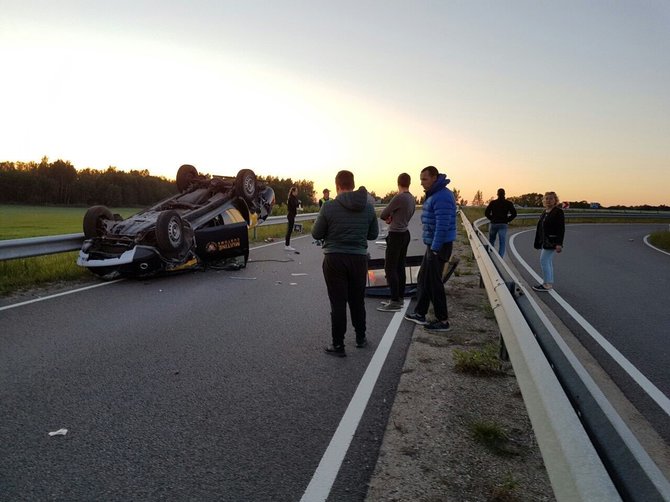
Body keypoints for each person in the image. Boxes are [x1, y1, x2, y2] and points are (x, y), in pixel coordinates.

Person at [312, 170, 379, 356]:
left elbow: (316, 234)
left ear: (337, 186)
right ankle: (360, 338)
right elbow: (373, 234)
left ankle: (338, 345)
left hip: (334, 259)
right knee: (357, 301)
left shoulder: (328, 207)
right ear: (353, 184)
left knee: (338, 303)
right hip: (358, 258)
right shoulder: (368, 207)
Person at [404, 166, 457, 332]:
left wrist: (434, 248)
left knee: (434, 282)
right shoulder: (435, 194)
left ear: (434, 178)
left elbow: (443, 225)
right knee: (424, 278)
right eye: (420, 180)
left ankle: (443, 320)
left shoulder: (442, 196)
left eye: (424, 179)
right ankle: (420, 313)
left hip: (439, 245)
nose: (421, 183)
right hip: (433, 244)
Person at [377, 173, 416, 312]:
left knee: (390, 268)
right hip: (405, 233)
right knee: (400, 266)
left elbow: (383, 214)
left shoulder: (399, 197)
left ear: (398, 182)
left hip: (395, 234)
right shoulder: (412, 198)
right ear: (409, 183)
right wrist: (393, 217)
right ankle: (399, 297)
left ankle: (394, 301)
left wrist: (390, 217)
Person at [532, 191, 565, 292]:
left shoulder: (558, 211)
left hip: (552, 241)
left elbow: (561, 228)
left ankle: (546, 284)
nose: (548, 200)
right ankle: (549, 282)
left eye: (551, 198)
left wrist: (559, 243)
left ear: (555, 200)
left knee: (544, 260)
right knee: (548, 261)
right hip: (545, 241)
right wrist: (538, 242)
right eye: (546, 198)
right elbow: (540, 228)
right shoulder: (545, 211)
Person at [484, 188, 517, 257]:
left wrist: (492, 219)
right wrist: (507, 220)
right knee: (502, 242)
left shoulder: (493, 203)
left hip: (494, 224)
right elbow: (514, 214)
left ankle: (490, 254)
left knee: (491, 240)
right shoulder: (508, 203)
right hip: (503, 224)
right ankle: (500, 257)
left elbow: (486, 213)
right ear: (504, 194)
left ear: (497, 194)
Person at [285, 186, 300, 251]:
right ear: (293, 192)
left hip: (292, 215)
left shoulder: (294, 198)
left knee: (290, 230)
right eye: (296, 191)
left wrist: (298, 202)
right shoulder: (291, 198)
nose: (297, 192)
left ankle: (287, 245)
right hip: (290, 215)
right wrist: (298, 202)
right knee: (289, 230)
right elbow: (294, 205)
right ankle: (287, 245)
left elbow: (296, 205)